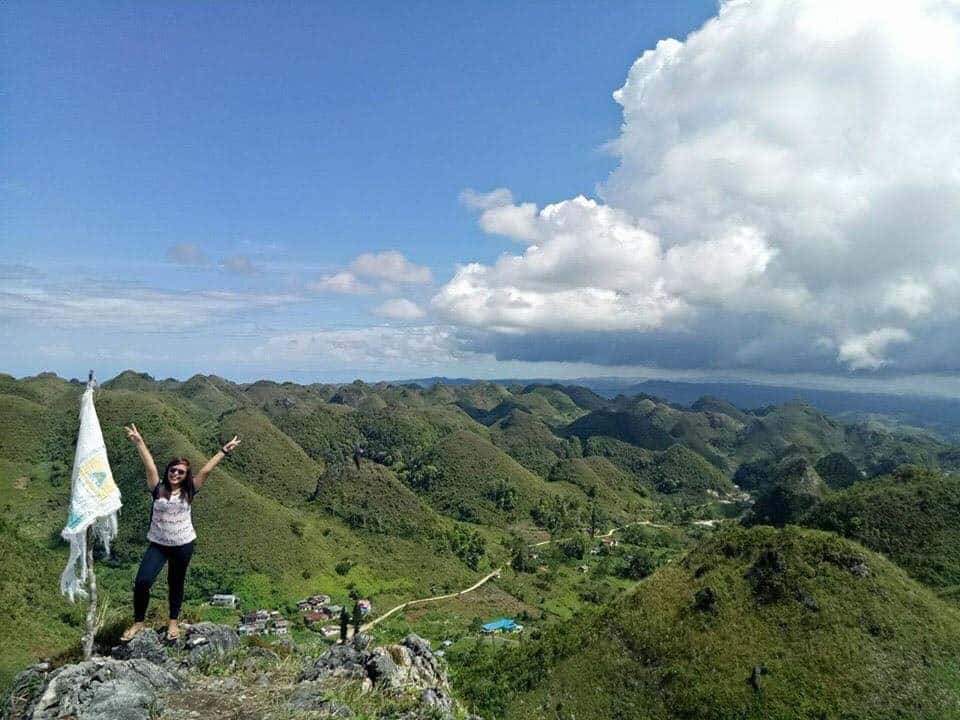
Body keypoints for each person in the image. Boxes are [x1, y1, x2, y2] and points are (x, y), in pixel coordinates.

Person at [120, 424, 241, 642]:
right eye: (173, 470)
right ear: (168, 471)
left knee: (176, 582)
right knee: (142, 582)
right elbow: (149, 466)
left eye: (181, 472)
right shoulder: (157, 488)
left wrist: (224, 451)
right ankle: (138, 622)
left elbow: (206, 470)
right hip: (158, 544)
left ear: (186, 476)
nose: (176, 474)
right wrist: (139, 442)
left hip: (183, 544)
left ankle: (173, 623)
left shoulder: (189, 490)